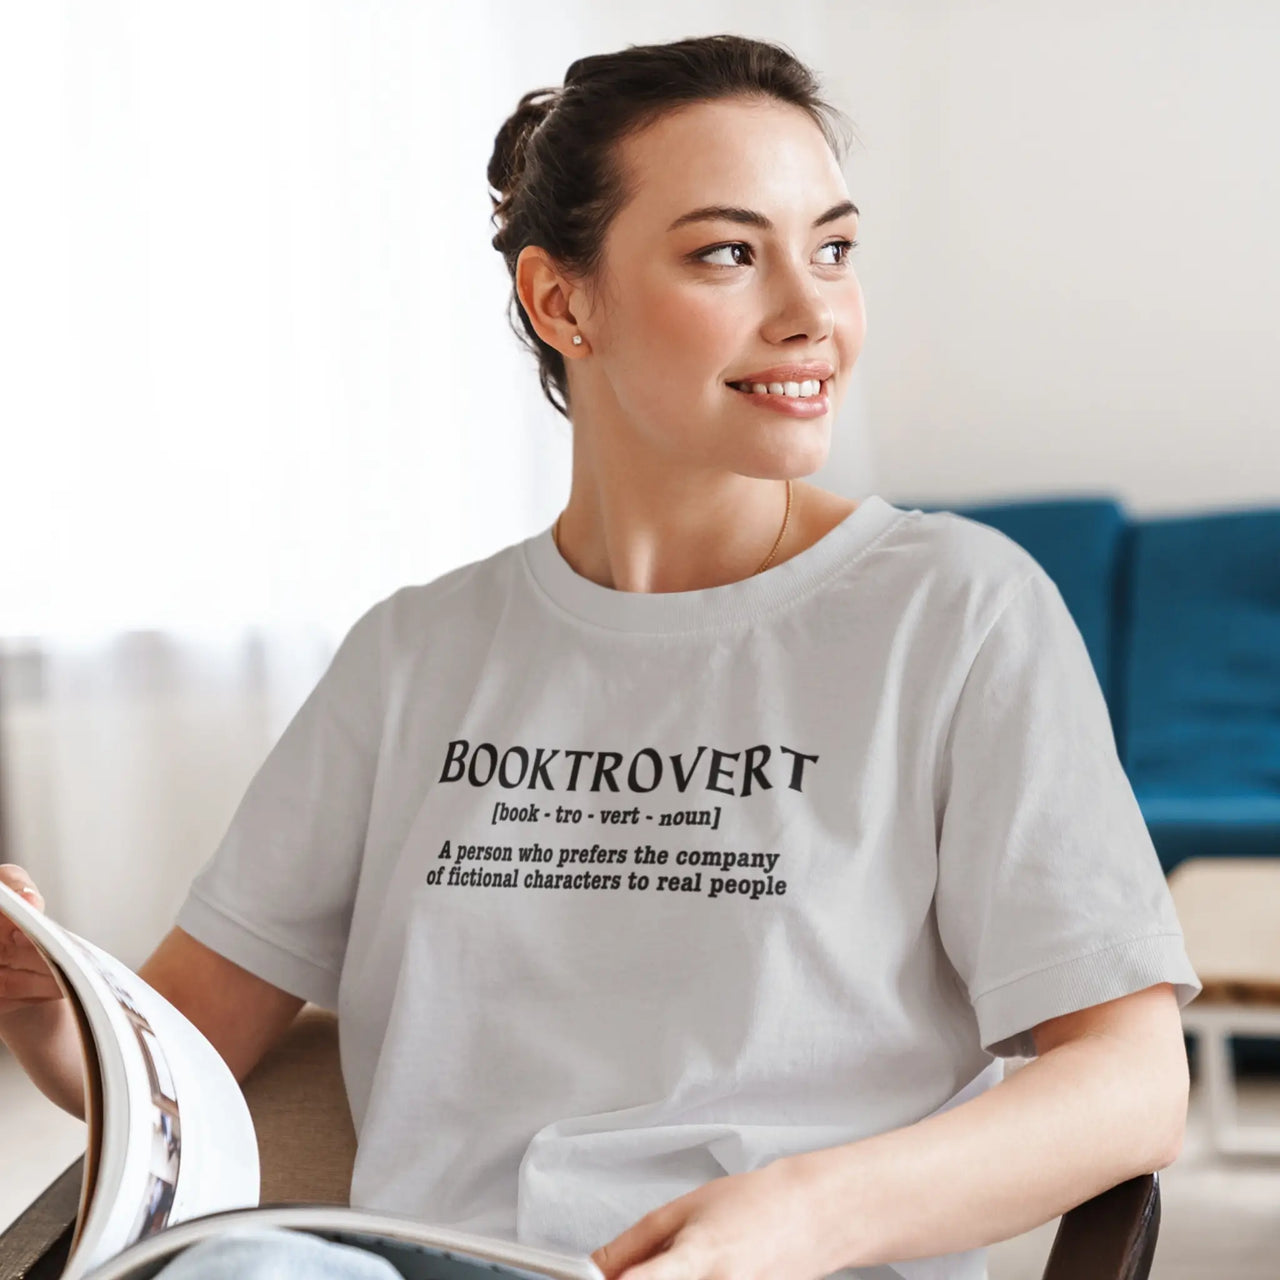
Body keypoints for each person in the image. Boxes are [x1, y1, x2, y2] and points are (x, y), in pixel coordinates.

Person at [0, 32, 1200, 1280]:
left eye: (832, 249)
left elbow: (1126, 1083)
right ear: (561, 299)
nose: (811, 315)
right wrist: (48, 1000)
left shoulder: (956, 612)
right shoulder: (415, 652)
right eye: (729, 253)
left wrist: (800, 1212)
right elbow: (175, 1052)